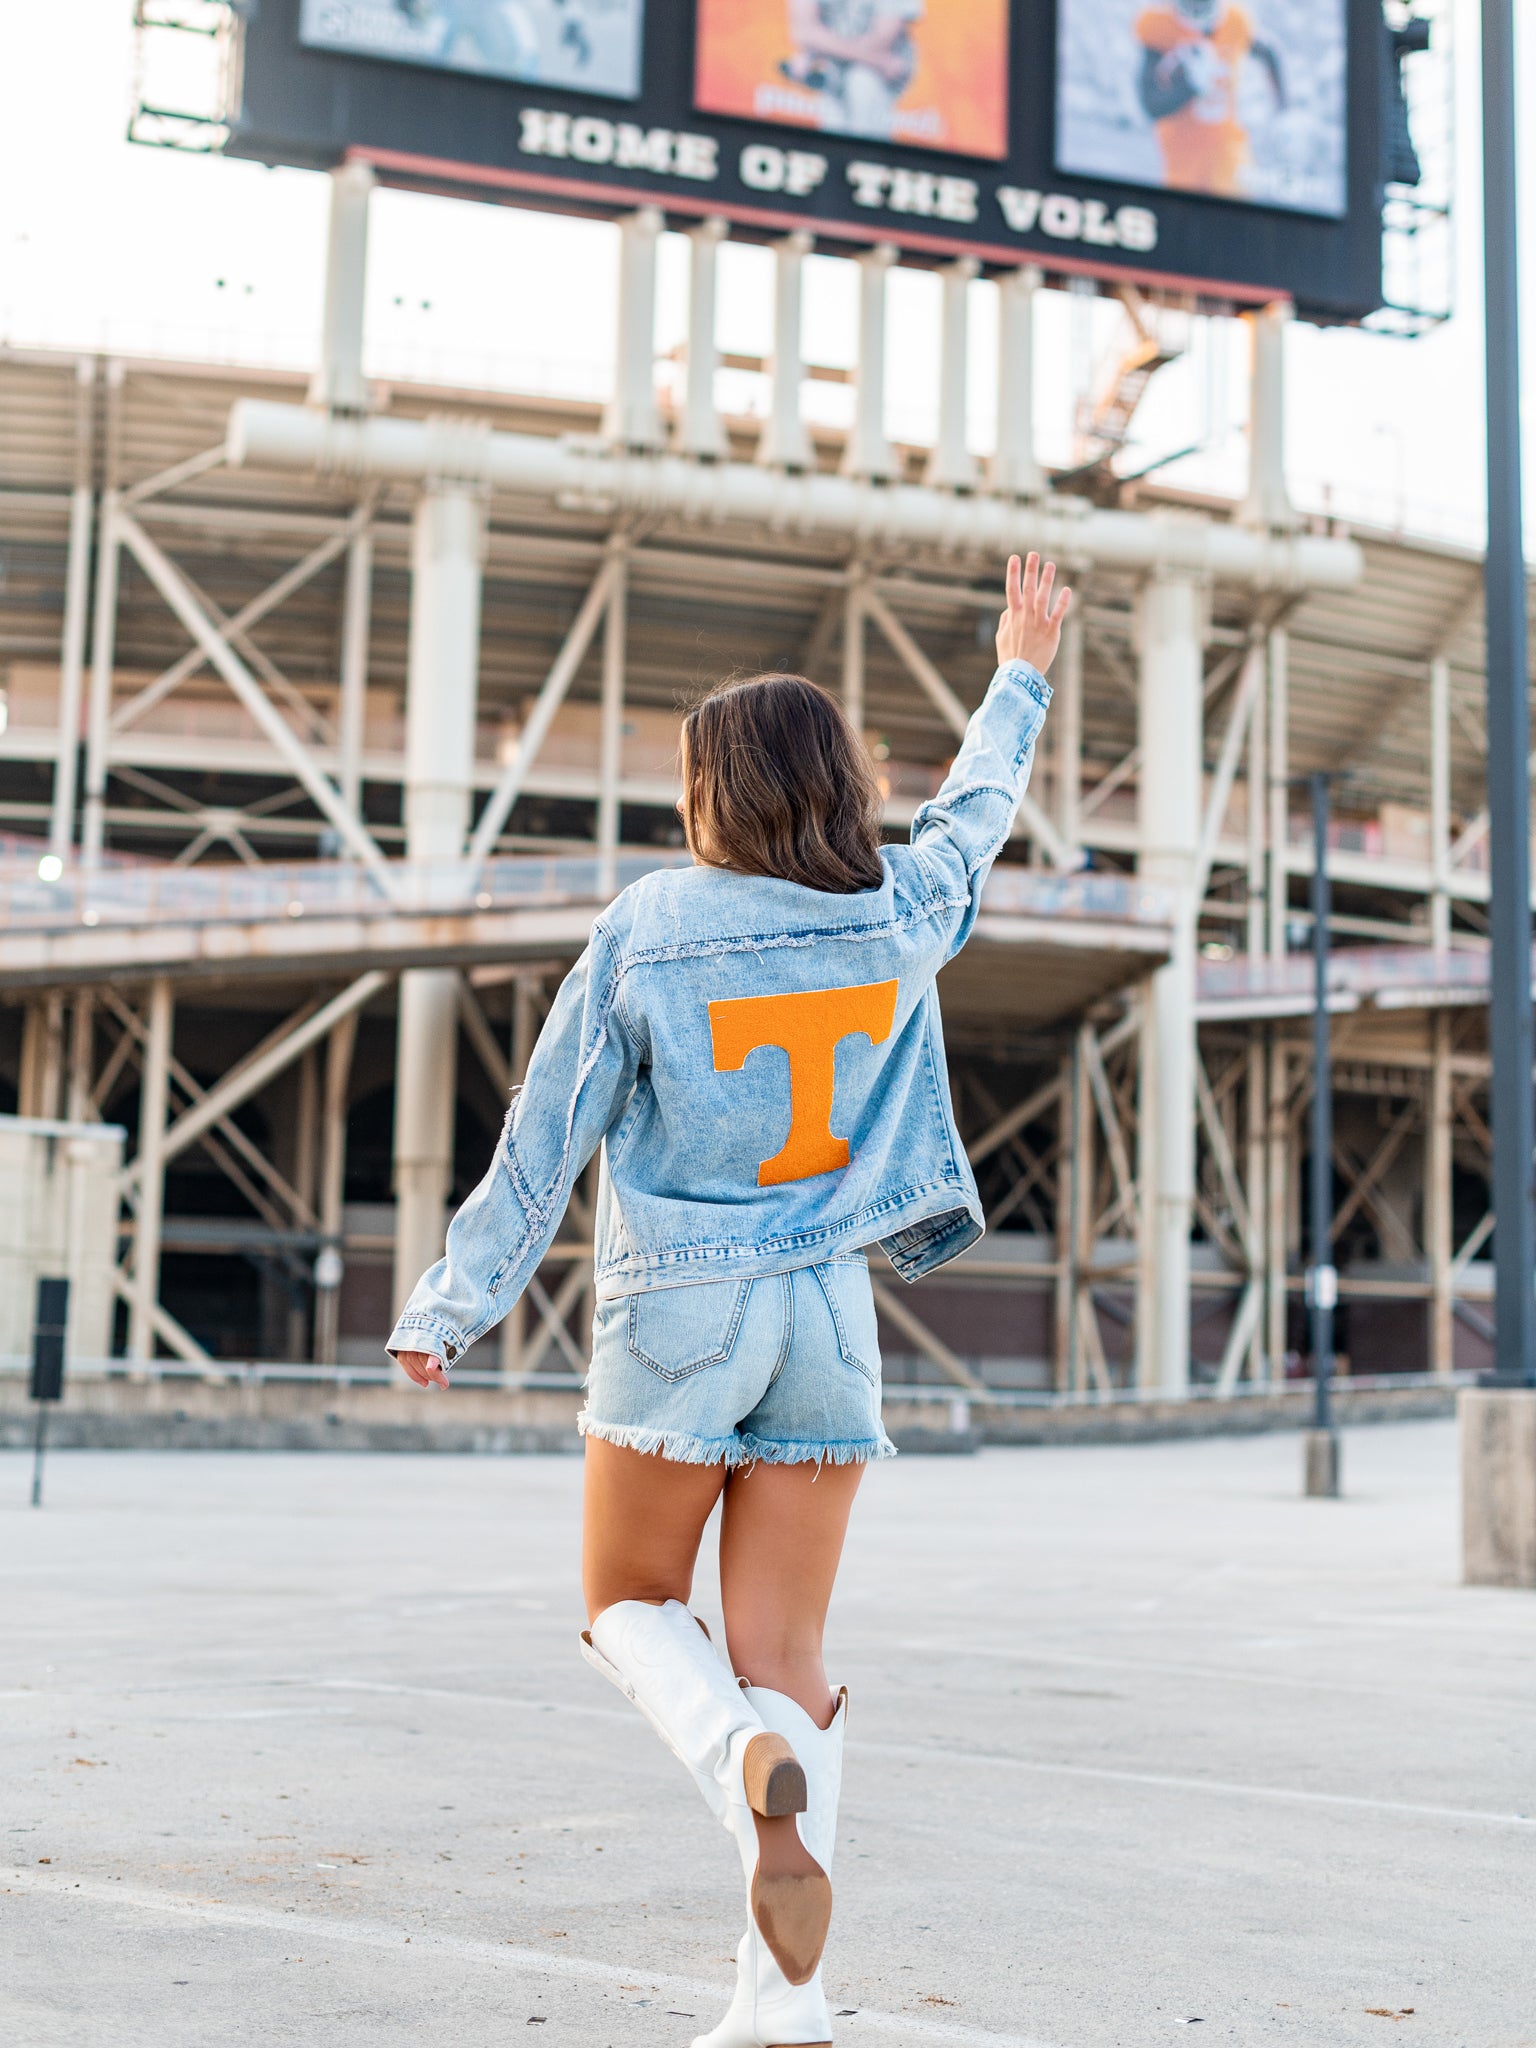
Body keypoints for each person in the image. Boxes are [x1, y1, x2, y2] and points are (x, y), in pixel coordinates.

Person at [390, 553, 1071, 2048]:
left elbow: (547, 1127)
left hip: (681, 1310)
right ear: (831, 784)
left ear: (716, 795)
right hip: (833, 1316)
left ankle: (735, 1757)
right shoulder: (901, 913)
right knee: (790, 1660)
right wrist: (1019, 665)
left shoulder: (650, 927)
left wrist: (451, 1302)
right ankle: (787, 2004)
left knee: (631, 1610)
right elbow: (975, 816)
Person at [1136, 0, 1286, 200]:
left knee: (1236, 202)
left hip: (1225, 141)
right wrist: (1190, 87)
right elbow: (1151, 105)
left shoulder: (1234, 21)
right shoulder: (1160, 28)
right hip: (1182, 151)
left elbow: (1268, 52)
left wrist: (1283, 105)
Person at [781, 0, 922, 141]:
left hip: (875, 79)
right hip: (832, 73)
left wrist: (819, 48)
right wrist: (877, 60)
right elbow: (803, 32)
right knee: (831, 139)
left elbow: (882, 40)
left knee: (862, 81)